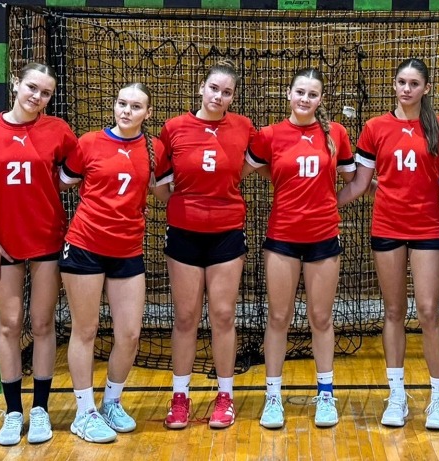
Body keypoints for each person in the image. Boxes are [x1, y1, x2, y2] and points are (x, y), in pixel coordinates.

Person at [337, 58, 439, 430]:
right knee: (394, 311)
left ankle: (438, 398)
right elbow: (360, 184)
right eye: (401, 82)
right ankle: (396, 395)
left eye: (414, 83)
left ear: (426, 88)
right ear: (394, 85)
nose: (407, 89)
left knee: (429, 312)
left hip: (427, 229)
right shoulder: (375, 128)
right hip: (387, 227)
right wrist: (326, 202)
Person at [0, 62, 78, 446]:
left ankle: (40, 409)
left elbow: (72, 175)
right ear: (16, 83)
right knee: (10, 325)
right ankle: (13, 412)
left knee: (42, 324)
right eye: (32, 87)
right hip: (3, 242)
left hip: (46, 239)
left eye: (45, 93)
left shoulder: (58, 131)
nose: (37, 97)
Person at [245, 67, 356, 429]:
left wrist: (329, 204)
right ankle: (272, 397)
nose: (305, 99)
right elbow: (251, 169)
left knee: (321, 318)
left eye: (313, 94)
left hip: (323, 236)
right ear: (289, 94)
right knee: (279, 318)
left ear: (320, 99)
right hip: (282, 238)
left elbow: (354, 180)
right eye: (300, 92)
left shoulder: (336, 133)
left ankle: (325, 394)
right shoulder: (269, 135)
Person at [153, 60, 256, 430]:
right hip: (184, 233)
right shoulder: (174, 128)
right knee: (185, 316)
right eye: (214, 88)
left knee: (223, 315)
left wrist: (220, 197)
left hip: (227, 232)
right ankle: (179, 397)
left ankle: (225, 397)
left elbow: (244, 169)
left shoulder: (243, 127)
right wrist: (187, 207)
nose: (218, 96)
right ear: (201, 87)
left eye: (226, 92)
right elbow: (160, 185)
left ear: (233, 97)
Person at [58, 83, 162, 443]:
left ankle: (112, 403)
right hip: (85, 246)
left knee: (130, 334)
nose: (127, 111)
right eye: (122, 103)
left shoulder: (154, 149)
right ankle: (84, 412)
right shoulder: (88, 143)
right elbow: (62, 182)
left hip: (128, 250)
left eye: (136, 106)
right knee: (85, 330)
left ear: (148, 113)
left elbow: (165, 189)